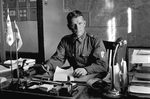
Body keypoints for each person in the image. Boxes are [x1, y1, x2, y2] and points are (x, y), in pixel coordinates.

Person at [28, 10, 108, 80]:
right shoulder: (65, 40)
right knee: (44, 78)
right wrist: (48, 65)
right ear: (69, 26)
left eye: (80, 23)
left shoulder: (95, 40)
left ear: (84, 23)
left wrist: (85, 70)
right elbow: (58, 59)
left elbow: (102, 65)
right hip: (74, 75)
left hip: (93, 75)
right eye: (74, 25)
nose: (77, 27)